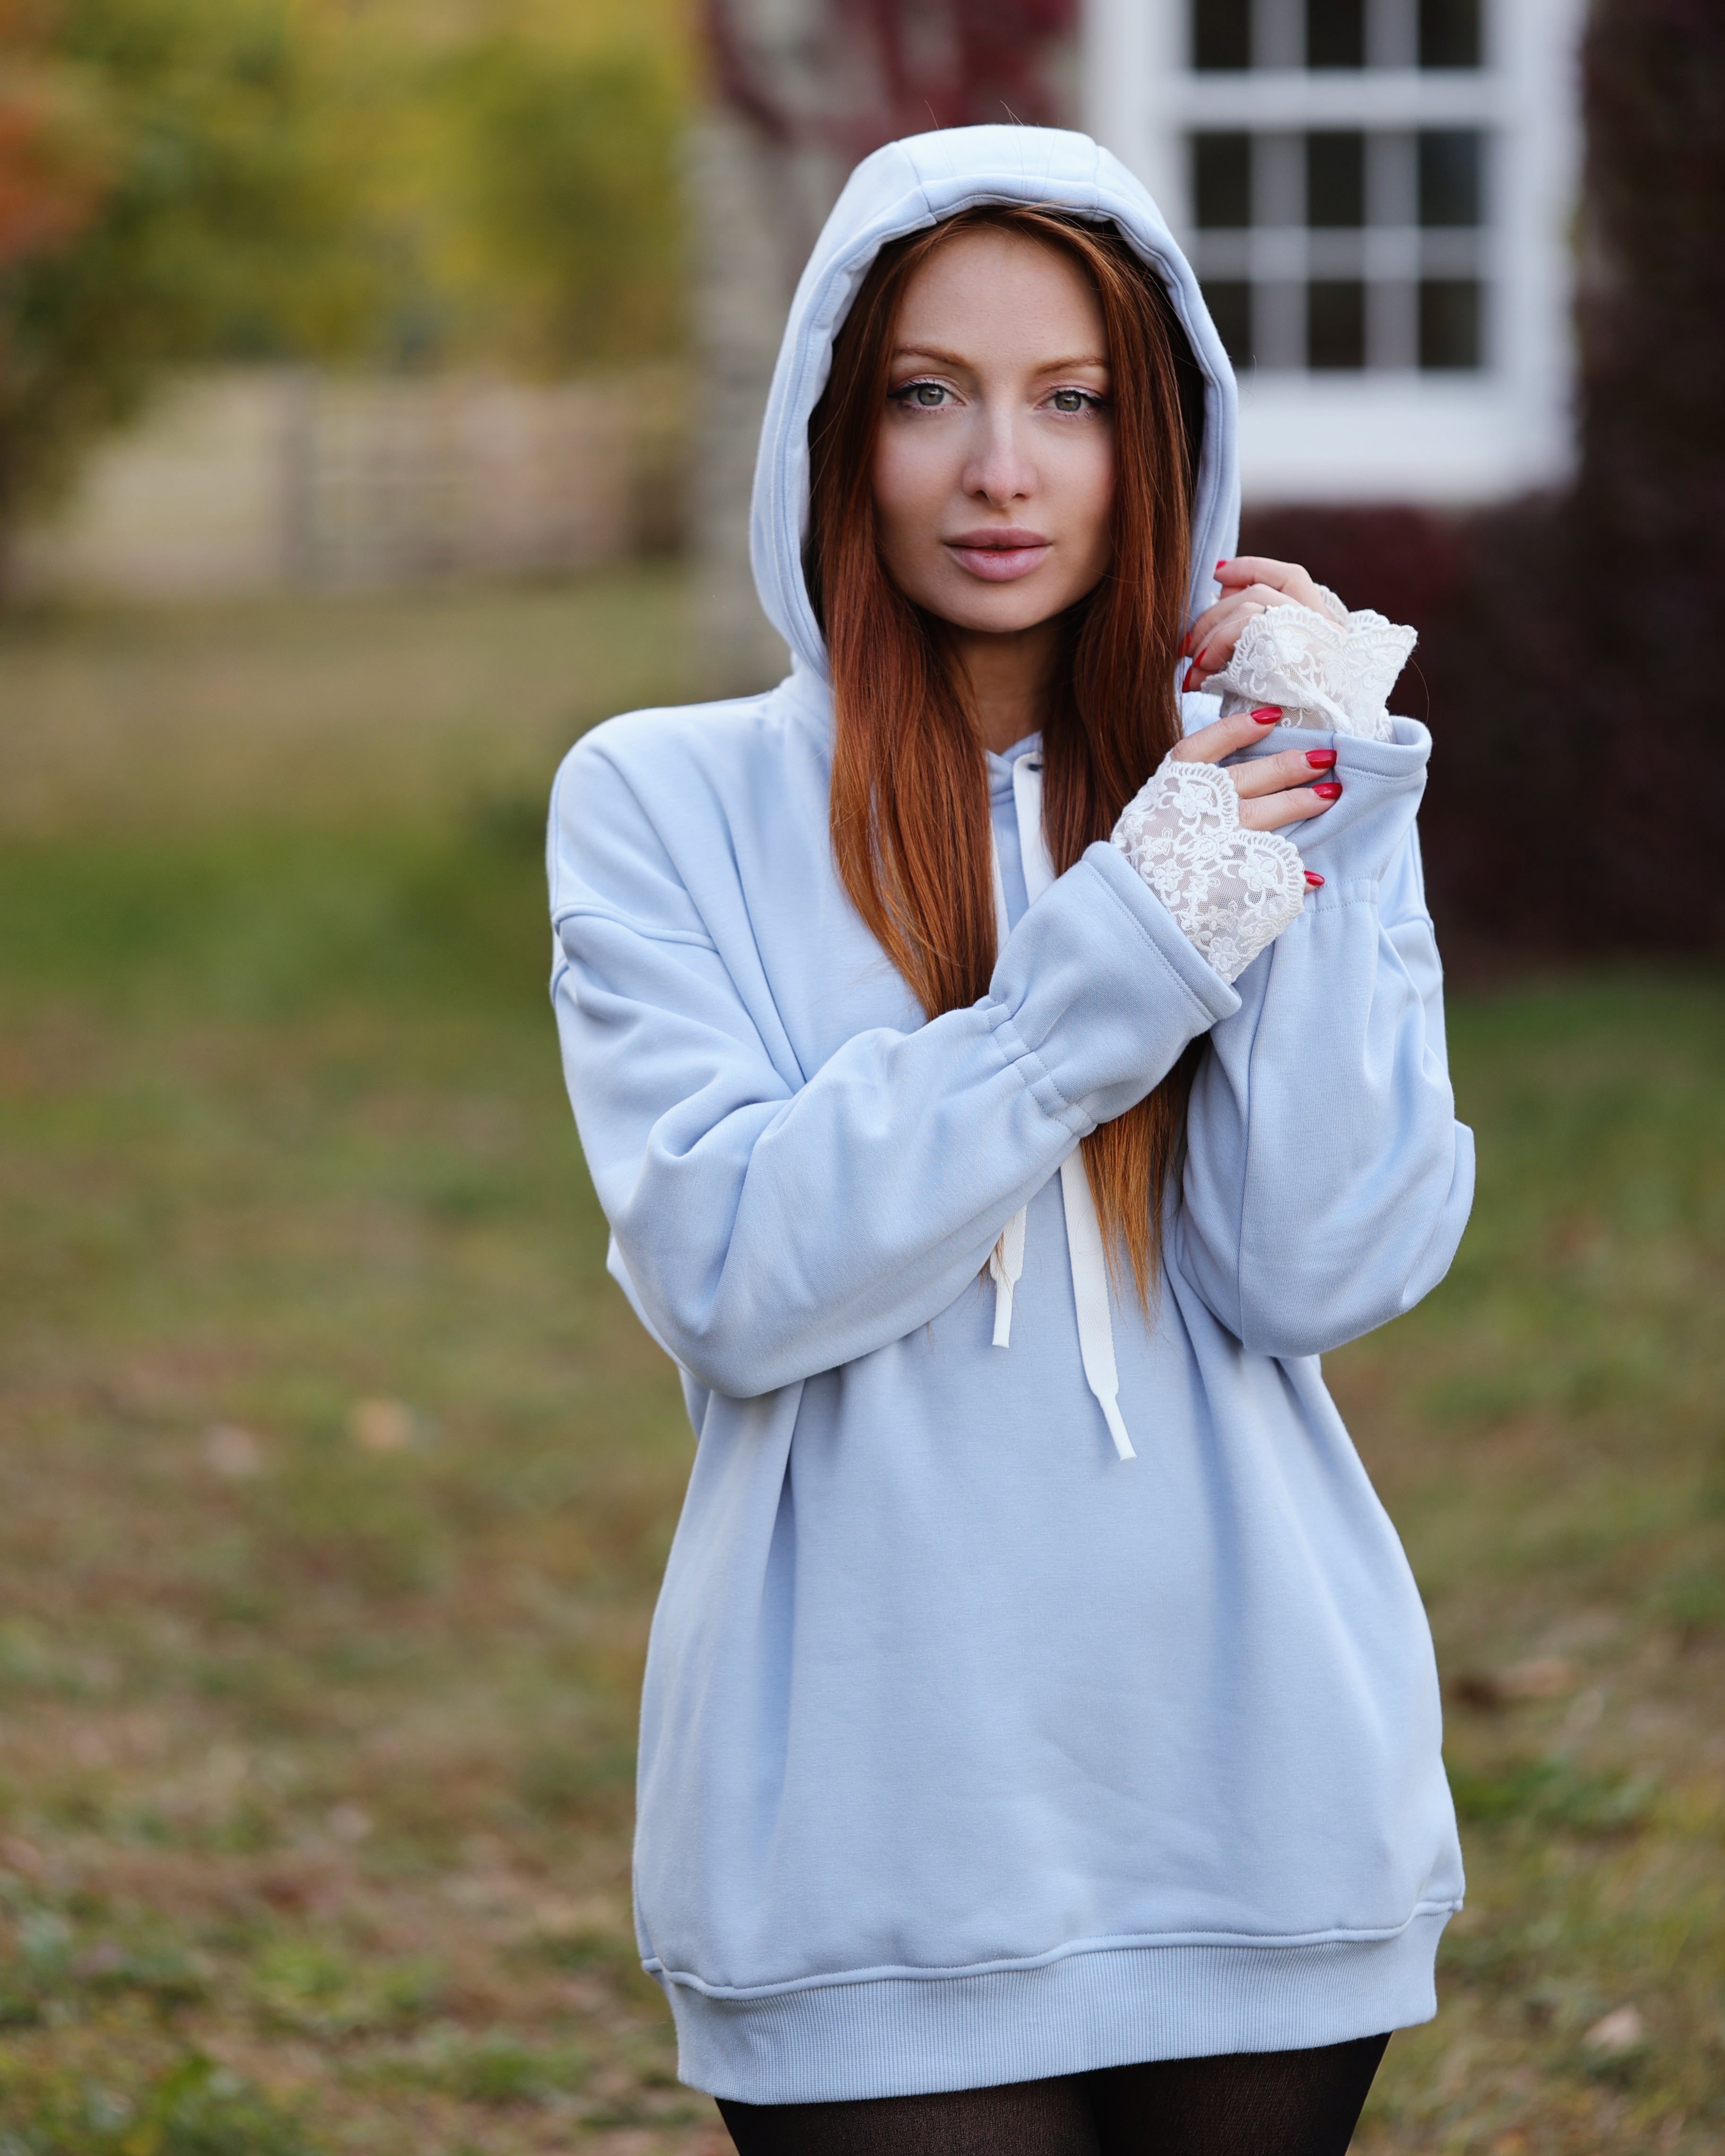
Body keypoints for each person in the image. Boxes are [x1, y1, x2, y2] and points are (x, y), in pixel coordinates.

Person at [547, 126, 1472, 2156]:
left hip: (1262, 1796)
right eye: (927, 395)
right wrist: (1132, 941)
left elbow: (1322, 1263)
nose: (1002, 472)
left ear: (1158, 447)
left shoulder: (1234, 790)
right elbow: (735, 1276)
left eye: (1070, 403)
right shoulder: (661, 800)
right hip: (865, 1844)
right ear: (832, 428)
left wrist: (1327, 815)